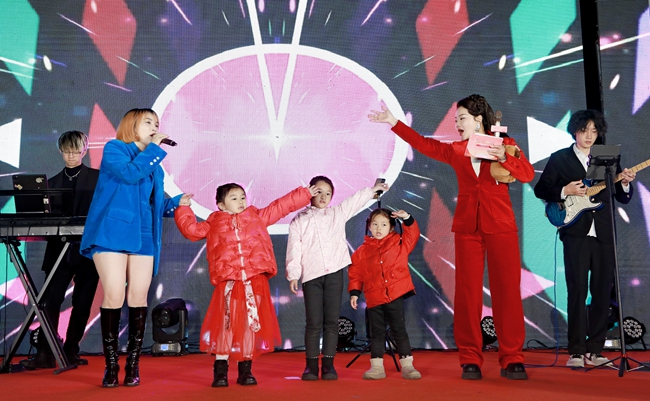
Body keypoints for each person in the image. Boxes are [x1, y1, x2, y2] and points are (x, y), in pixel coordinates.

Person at [369, 94, 534, 380]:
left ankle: (512, 357)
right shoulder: (457, 150)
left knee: (507, 291)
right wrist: (394, 122)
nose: (457, 123)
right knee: (467, 294)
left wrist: (504, 156)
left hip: (501, 225)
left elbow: (527, 175)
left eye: (462, 118)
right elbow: (425, 145)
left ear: (478, 119)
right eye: (456, 119)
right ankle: (470, 358)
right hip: (468, 228)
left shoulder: (504, 143)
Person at [80, 108, 190, 388]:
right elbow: (129, 174)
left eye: (157, 122)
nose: (155, 127)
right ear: (132, 125)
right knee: (114, 294)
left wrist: (176, 202)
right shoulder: (116, 149)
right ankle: (111, 366)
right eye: (148, 122)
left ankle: (132, 365)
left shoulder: (154, 165)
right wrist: (154, 150)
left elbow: (153, 204)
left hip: (144, 235)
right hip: (113, 232)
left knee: (139, 297)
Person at [174, 182, 319, 387]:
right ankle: (221, 371)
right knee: (226, 326)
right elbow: (192, 230)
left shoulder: (256, 216)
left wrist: (304, 194)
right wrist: (184, 207)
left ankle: (245, 369)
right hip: (229, 282)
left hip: (254, 280)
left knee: (249, 325)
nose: (240, 201)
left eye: (243, 197)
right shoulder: (214, 222)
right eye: (234, 198)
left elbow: (280, 207)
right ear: (221, 205)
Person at [534, 109, 635, 368]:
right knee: (577, 290)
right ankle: (577, 351)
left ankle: (596, 350)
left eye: (594, 130)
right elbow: (541, 189)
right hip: (576, 233)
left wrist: (625, 183)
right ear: (574, 131)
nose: (589, 135)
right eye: (584, 130)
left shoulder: (607, 158)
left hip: (604, 233)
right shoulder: (560, 158)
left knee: (602, 292)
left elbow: (622, 197)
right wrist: (564, 189)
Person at [285, 176, 389, 380]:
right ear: (310, 192)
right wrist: (294, 274)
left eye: (328, 193)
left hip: (334, 273)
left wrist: (372, 189)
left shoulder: (337, 213)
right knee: (314, 322)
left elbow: (354, 200)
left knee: (331, 322)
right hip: (311, 276)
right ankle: (311, 367)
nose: (323, 197)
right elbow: (294, 249)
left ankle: (329, 366)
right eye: (319, 192)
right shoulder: (300, 220)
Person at [19, 131, 99, 370]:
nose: (71, 156)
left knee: (82, 303)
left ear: (84, 150)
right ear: (60, 151)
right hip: (58, 250)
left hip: (88, 250)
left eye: (75, 151)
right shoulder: (51, 184)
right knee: (50, 300)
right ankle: (46, 352)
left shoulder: (98, 179)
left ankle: (71, 350)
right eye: (67, 151)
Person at [348, 208, 421, 380]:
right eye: (374, 224)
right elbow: (355, 273)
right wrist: (354, 293)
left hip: (395, 295)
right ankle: (377, 367)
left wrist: (407, 218)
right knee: (377, 332)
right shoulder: (361, 251)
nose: (378, 228)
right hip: (374, 298)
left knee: (399, 330)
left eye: (383, 224)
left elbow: (413, 234)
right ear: (369, 227)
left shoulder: (400, 243)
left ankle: (408, 366)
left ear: (391, 227)